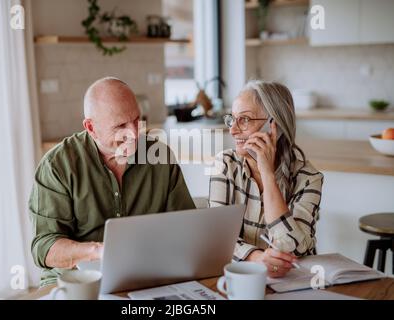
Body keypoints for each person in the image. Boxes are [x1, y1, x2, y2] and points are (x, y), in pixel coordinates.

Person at [29, 77, 195, 286]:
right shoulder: (57, 166)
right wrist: (99, 251)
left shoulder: (159, 156)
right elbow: (44, 248)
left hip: (145, 275)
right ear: (91, 127)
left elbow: (187, 227)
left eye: (137, 120)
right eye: (120, 126)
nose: (134, 134)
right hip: (76, 282)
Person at [209, 80, 324, 278]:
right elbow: (215, 236)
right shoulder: (225, 164)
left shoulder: (309, 178)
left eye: (244, 119)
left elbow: (292, 249)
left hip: (292, 281)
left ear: (274, 126)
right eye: (232, 119)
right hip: (240, 275)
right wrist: (255, 257)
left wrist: (267, 175)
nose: (233, 130)